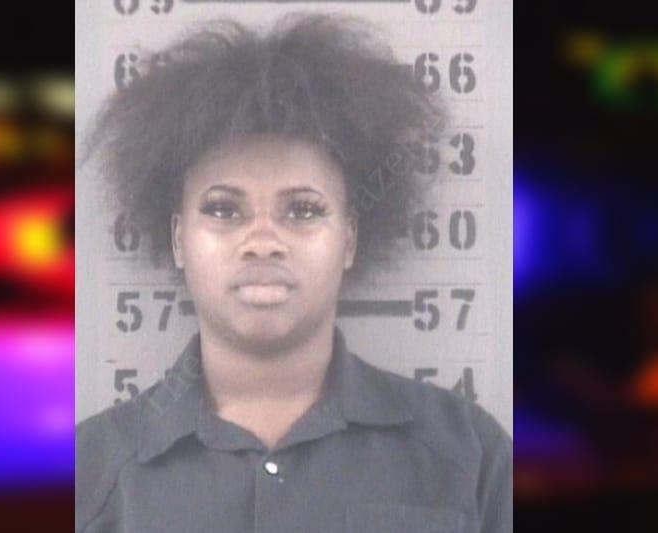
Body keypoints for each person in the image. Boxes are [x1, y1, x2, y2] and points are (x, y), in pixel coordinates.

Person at [76, 13, 512, 533]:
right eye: (223, 209)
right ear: (178, 239)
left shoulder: (469, 457)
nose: (263, 241)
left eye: (303, 210)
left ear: (349, 239)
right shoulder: (89, 473)